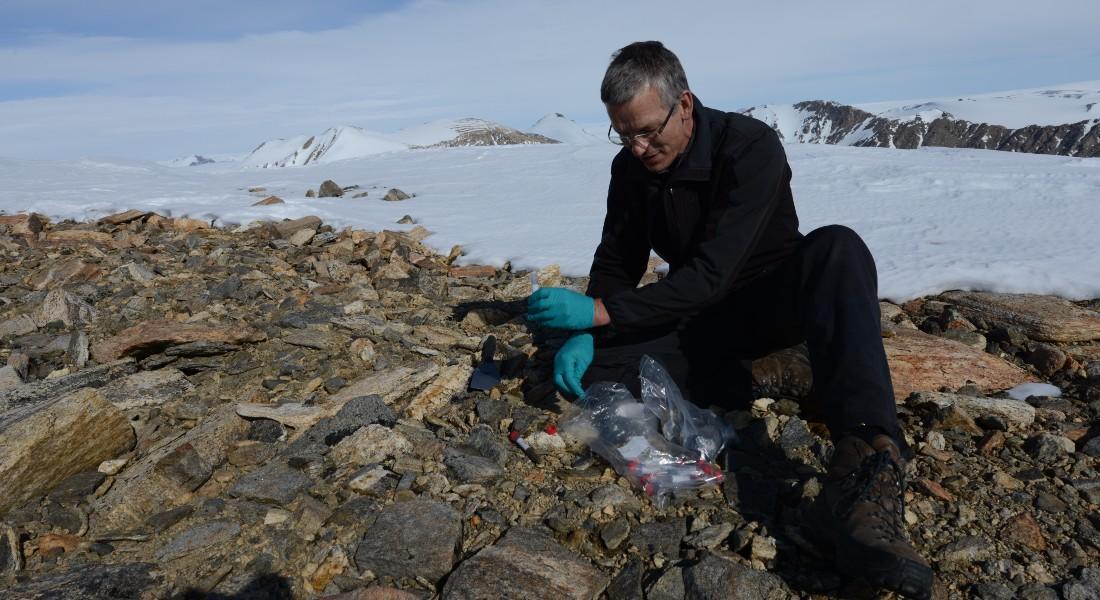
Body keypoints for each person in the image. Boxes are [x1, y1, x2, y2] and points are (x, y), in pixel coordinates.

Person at [526, 41, 933, 599]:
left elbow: (714, 272)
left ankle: (867, 464)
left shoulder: (749, 147)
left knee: (838, 249)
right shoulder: (631, 169)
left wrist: (602, 312)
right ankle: (767, 374)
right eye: (624, 135)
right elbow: (620, 259)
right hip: (702, 318)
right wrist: (586, 331)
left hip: (772, 303)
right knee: (592, 372)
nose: (638, 147)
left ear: (685, 104)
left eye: (647, 131)